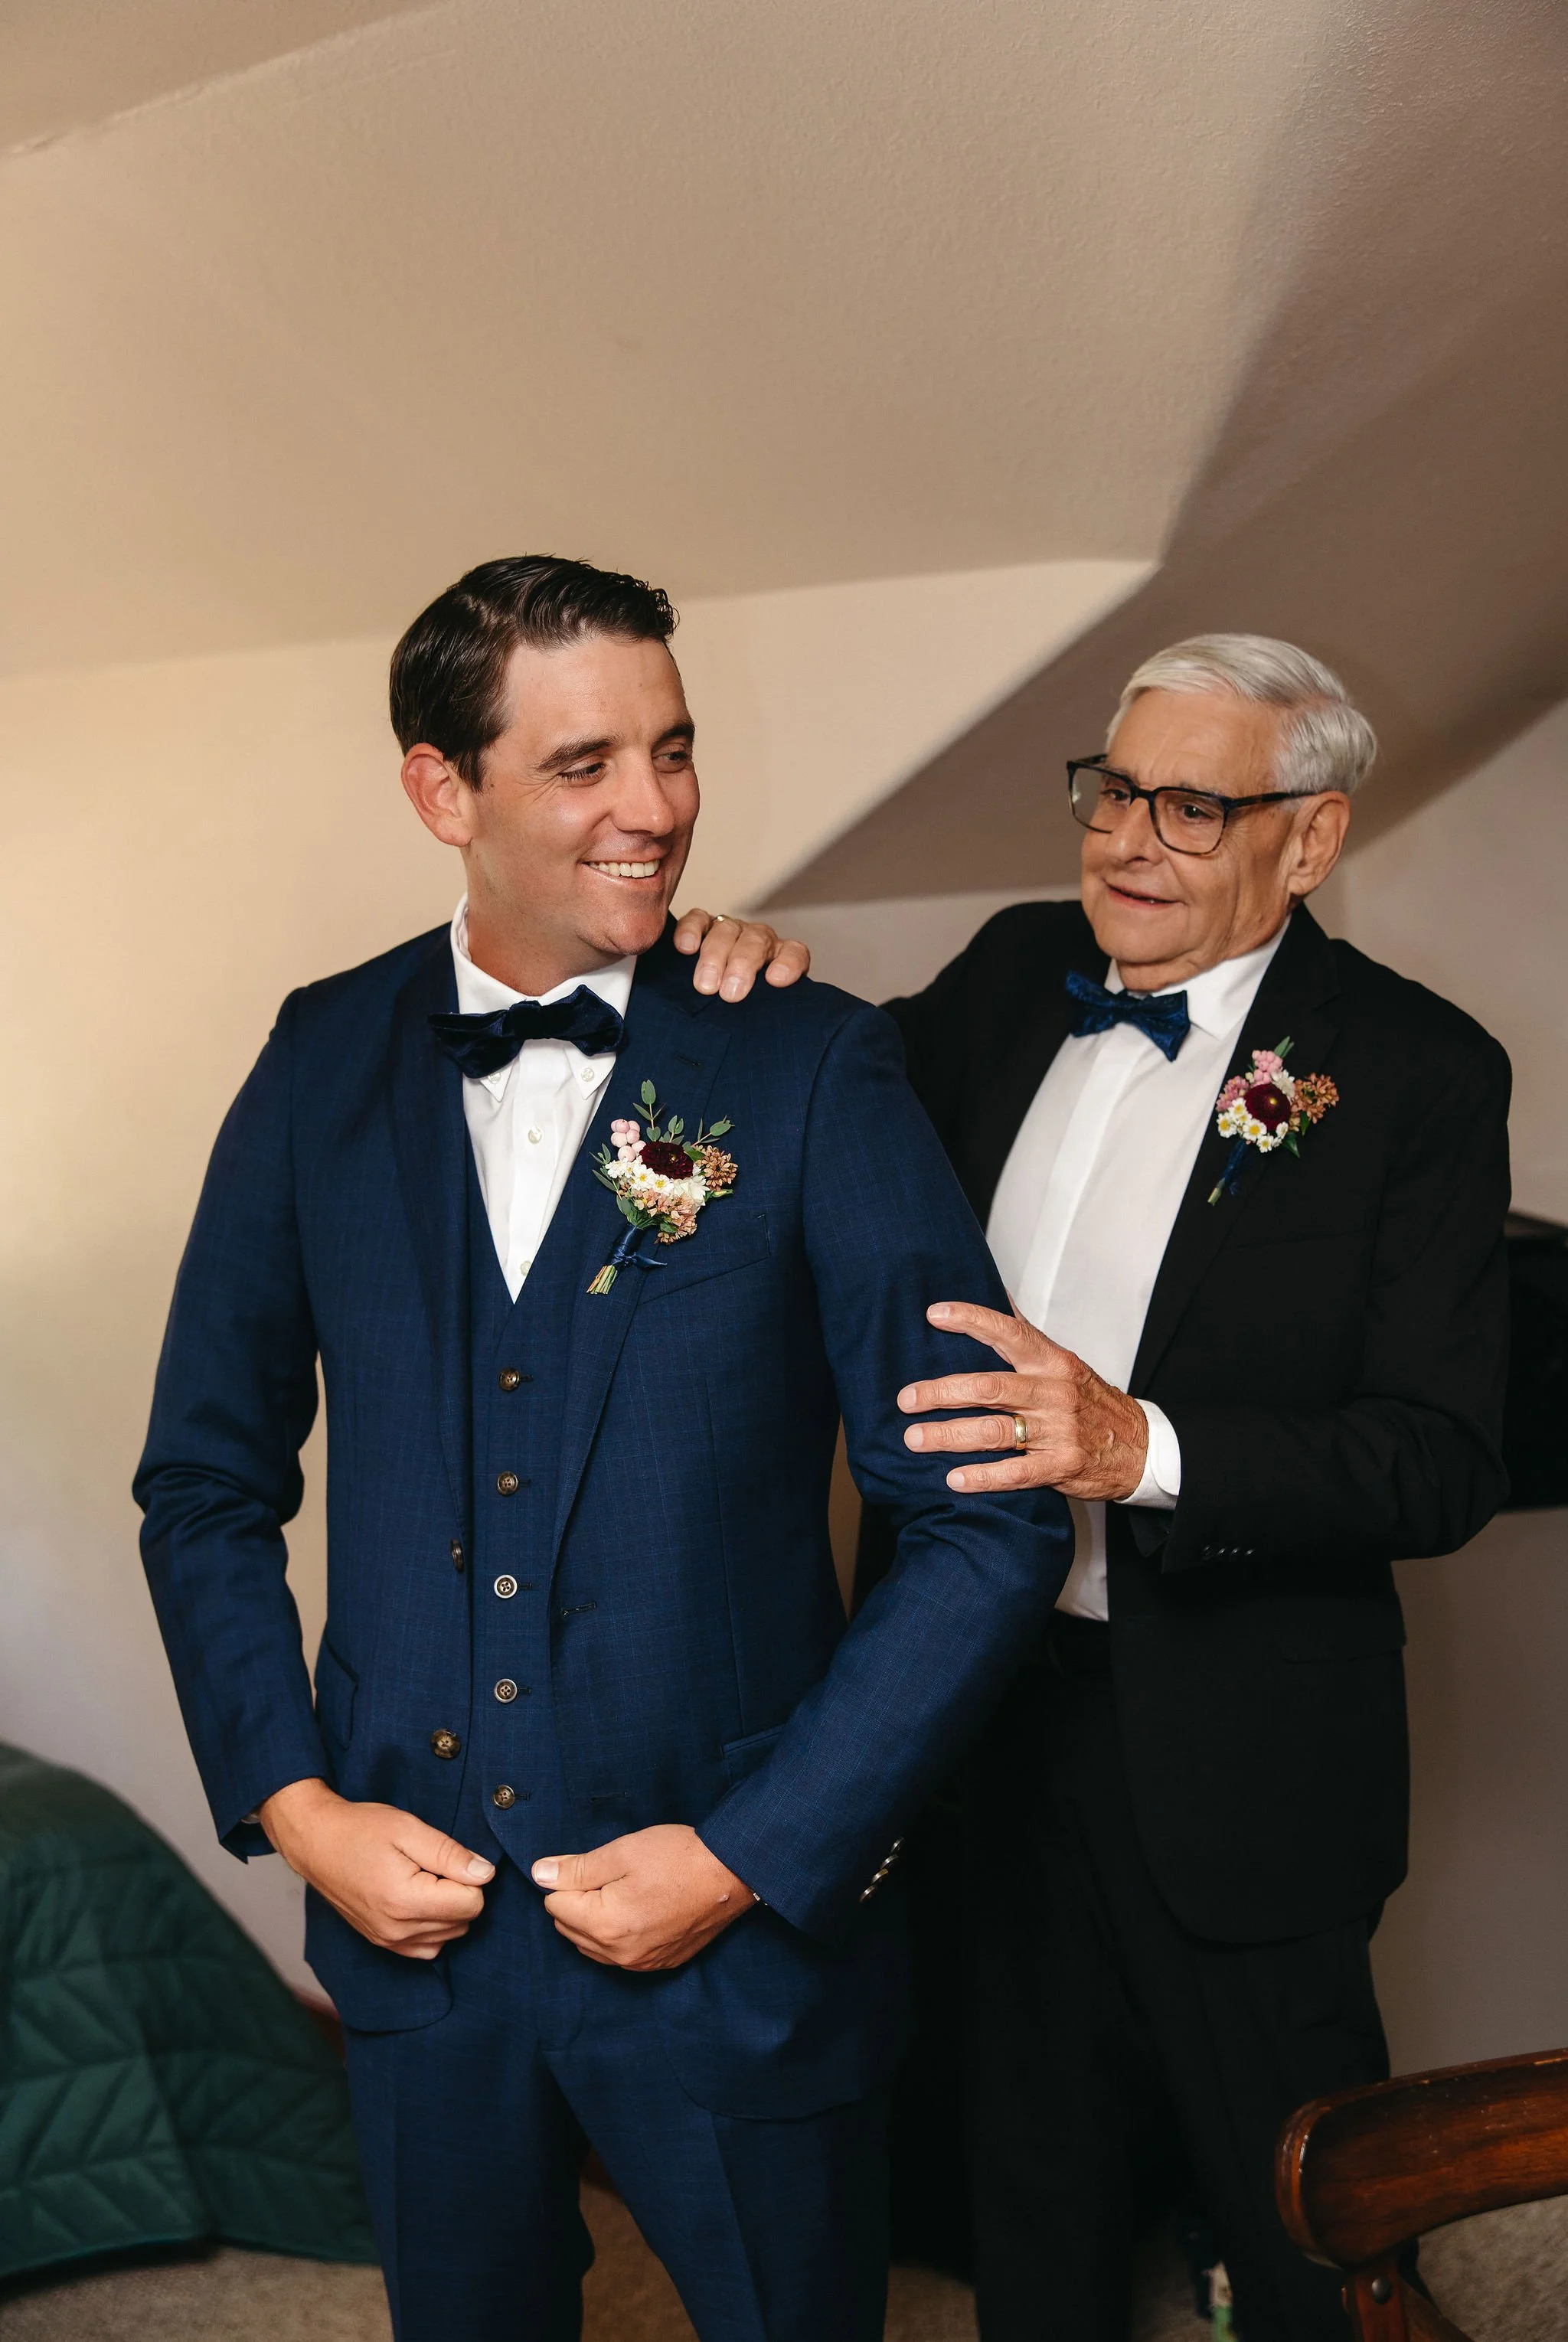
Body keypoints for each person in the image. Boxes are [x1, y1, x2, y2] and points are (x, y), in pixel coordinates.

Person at [135, 556, 1072, 2342]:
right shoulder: (315, 1058)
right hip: (413, 1945)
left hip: (735, 1935)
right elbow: (204, 1481)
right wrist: (297, 1803)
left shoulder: (807, 1063)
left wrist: (743, 1853)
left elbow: (982, 1521)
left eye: (674, 747)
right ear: (441, 789)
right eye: (582, 764)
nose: (654, 809)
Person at [680, 634, 1512, 2341]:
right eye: (1112, 788)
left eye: (1193, 805)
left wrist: (1140, 1447)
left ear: (1309, 835)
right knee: (1028, 2201)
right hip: (973, 1706)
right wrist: (740, 973)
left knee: (1302, 2221)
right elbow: (815, 1105)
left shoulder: (1419, 1071)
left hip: (1239, 1750)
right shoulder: (1009, 970)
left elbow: (1440, 1455)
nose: (1127, 837)